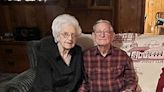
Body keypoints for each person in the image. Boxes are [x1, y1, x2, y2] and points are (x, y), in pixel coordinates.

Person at [79, 19, 138, 92]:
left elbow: (131, 80)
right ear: (93, 36)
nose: (102, 35)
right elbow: (83, 82)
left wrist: (128, 90)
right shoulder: (85, 56)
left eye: (106, 32)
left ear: (112, 36)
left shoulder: (122, 55)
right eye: (99, 32)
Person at [29, 14, 84, 92]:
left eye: (73, 35)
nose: (70, 38)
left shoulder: (78, 52)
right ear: (57, 35)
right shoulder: (46, 54)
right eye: (65, 34)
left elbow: (79, 80)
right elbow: (45, 86)